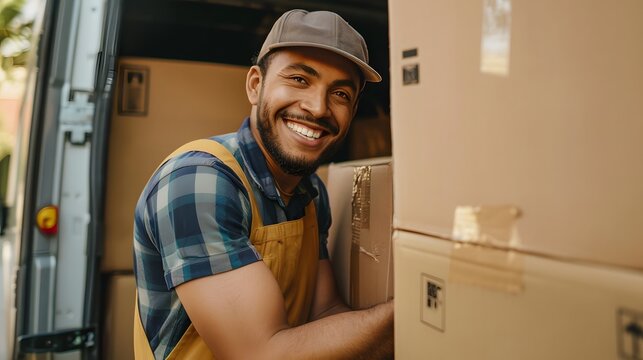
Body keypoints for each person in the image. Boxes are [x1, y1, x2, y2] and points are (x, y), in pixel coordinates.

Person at [133, 9, 393, 359]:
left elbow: (326, 311)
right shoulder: (198, 181)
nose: (318, 108)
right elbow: (258, 353)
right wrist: (412, 313)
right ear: (256, 85)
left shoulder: (311, 193)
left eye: (340, 94)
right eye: (300, 79)